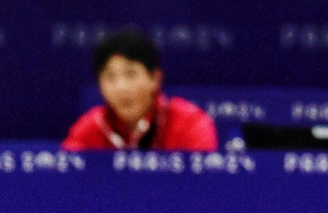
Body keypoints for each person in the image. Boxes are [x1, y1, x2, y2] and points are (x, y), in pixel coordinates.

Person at [62, 30, 218, 152]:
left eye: (131, 74)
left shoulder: (190, 124)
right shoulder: (88, 129)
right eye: (110, 77)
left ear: (155, 78)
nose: (121, 87)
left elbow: (203, 186)